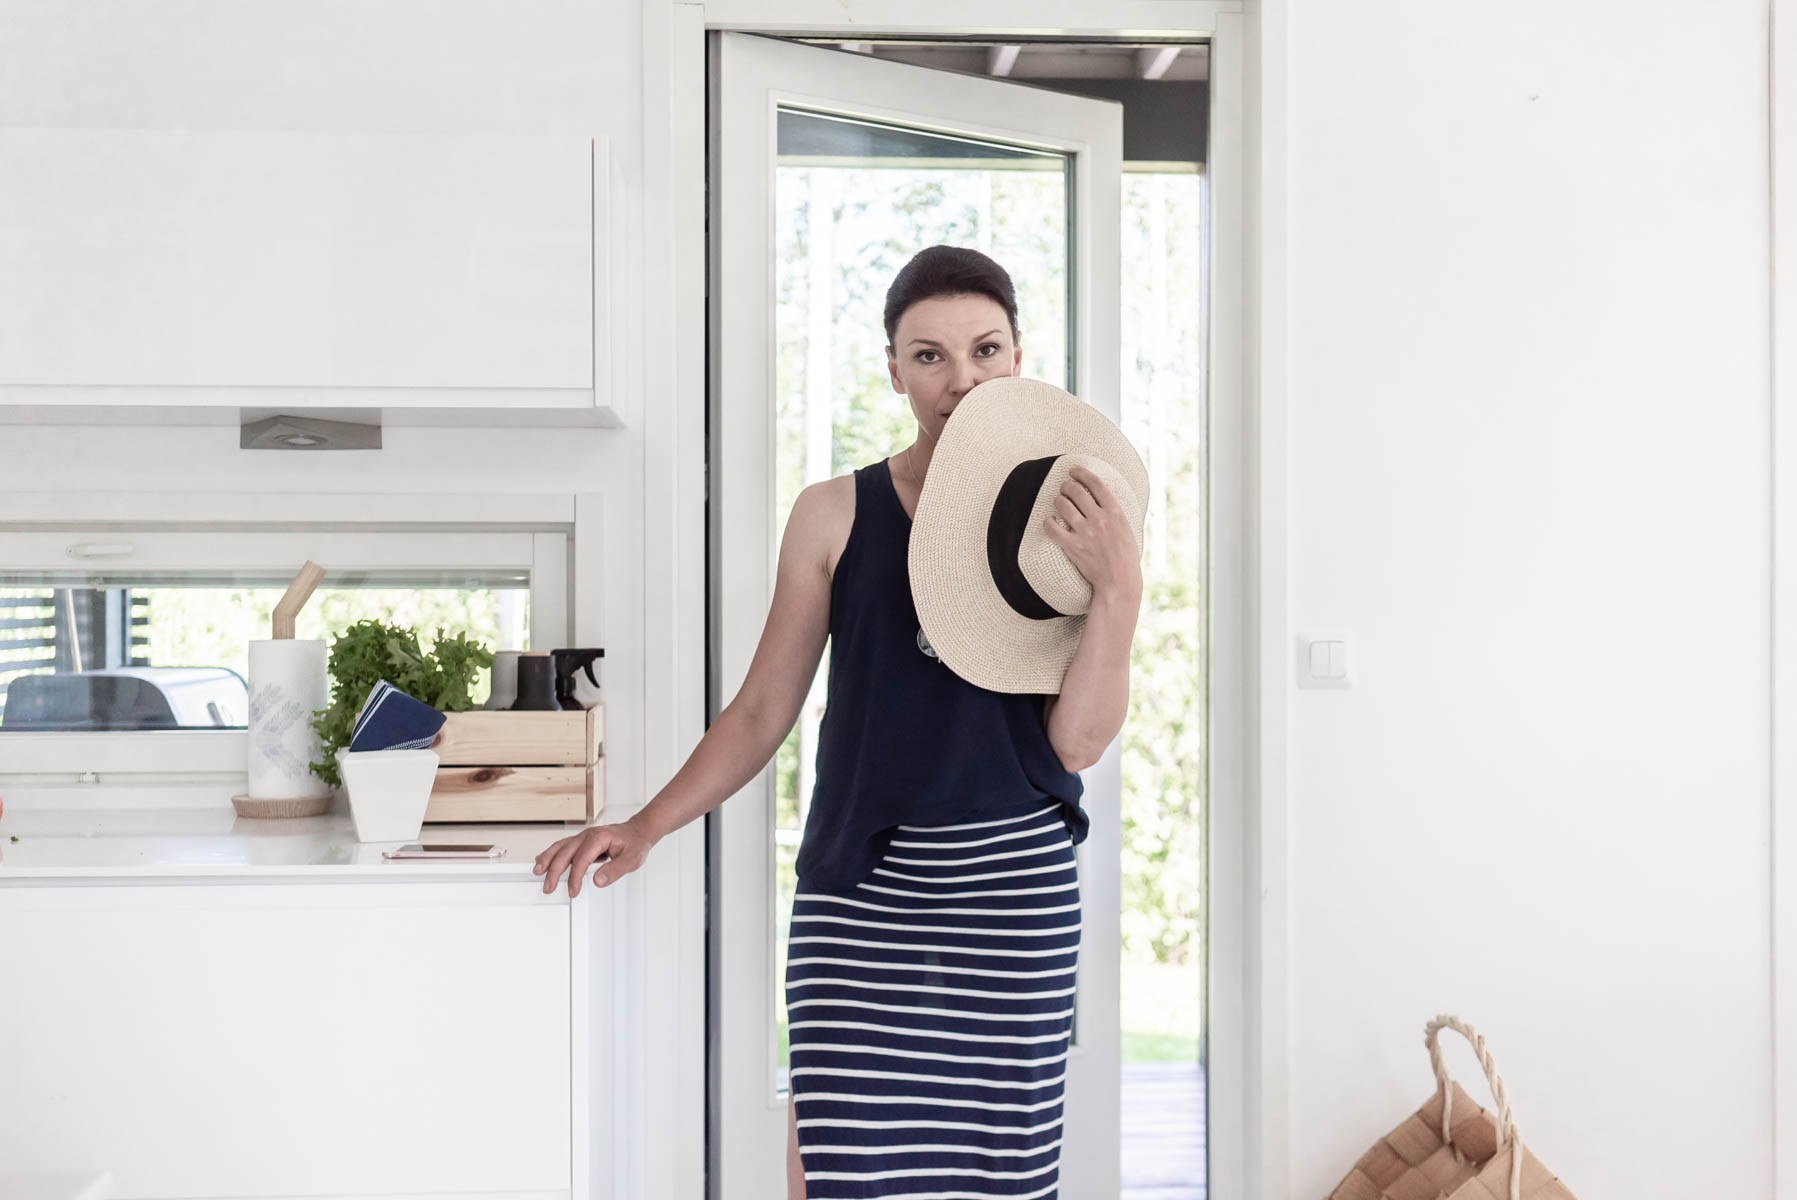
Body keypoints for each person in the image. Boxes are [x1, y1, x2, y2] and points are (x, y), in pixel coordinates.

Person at [534, 244, 1143, 1198]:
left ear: (1018, 358)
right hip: (861, 892)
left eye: (984, 349)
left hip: (1010, 894)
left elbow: (1077, 742)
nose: (960, 378)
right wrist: (645, 825)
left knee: (1001, 1177)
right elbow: (761, 709)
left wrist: (1119, 588)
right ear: (894, 370)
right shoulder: (833, 514)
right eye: (929, 355)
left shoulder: (1064, 523)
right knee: (839, 1169)